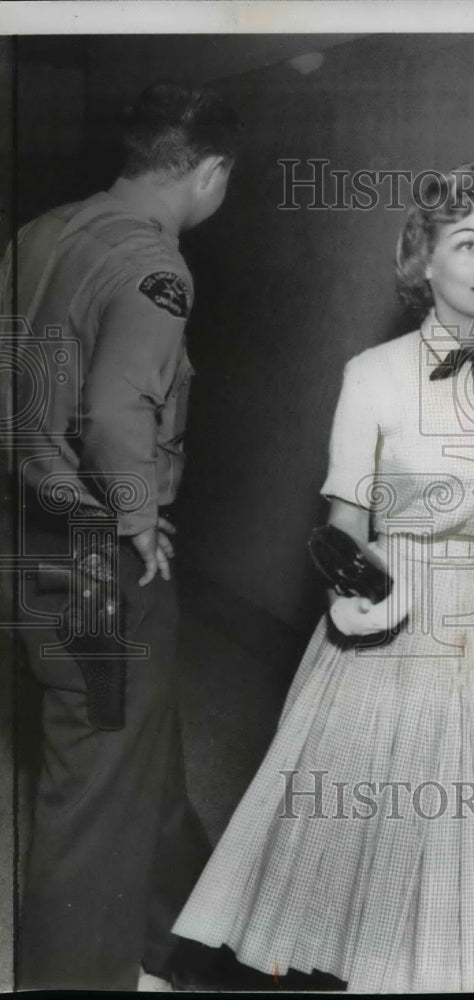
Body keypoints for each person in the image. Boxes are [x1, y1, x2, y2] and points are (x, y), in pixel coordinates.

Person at [172, 163, 474, 993]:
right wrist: (353, 594)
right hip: (400, 605)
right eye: (465, 244)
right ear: (424, 265)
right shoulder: (372, 372)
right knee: (369, 821)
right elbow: (346, 520)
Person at [2, 82, 238, 990]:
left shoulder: (41, 231)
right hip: (96, 553)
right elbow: (110, 415)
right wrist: (138, 521)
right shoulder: (158, 266)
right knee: (94, 784)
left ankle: (175, 939)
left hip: (25, 527)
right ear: (210, 173)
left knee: (138, 740)